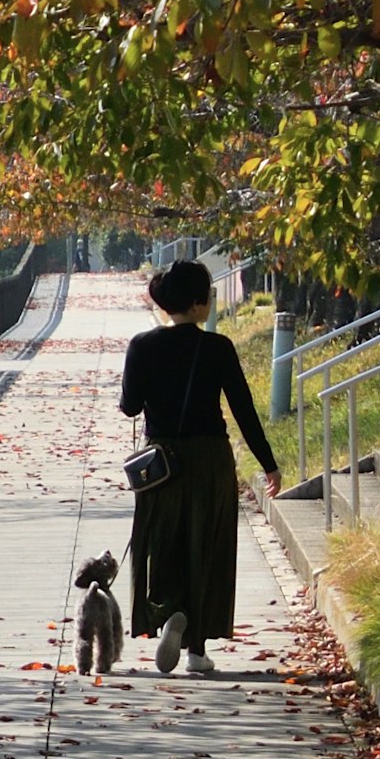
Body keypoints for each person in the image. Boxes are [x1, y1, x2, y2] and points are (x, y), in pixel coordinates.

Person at [119, 258, 280, 675]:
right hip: (209, 458)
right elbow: (243, 410)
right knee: (205, 546)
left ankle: (170, 610)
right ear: (196, 302)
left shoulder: (141, 345)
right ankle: (197, 649)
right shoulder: (218, 347)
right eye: (207, 295)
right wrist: (268, 464)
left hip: (161, 464)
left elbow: (130, 407)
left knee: (163, 543)